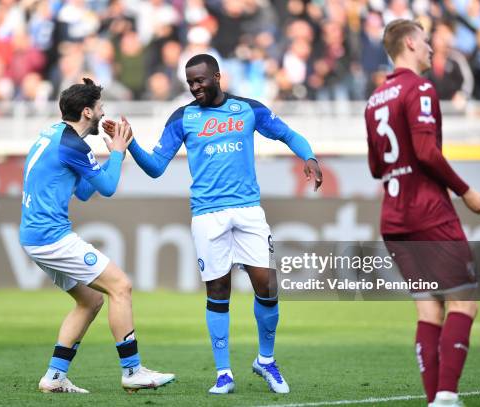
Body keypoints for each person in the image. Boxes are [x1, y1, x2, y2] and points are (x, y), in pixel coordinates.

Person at [106, 54, 322, 394]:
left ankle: (266, 360)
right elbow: (156, 167)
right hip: (207, 215)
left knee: (267, 285)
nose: (195, 87)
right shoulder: (183, 117)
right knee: (218, 292)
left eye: (200, 80)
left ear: (217, 76)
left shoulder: (248, 109)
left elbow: (287, 134)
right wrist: (130, 144)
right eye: (190, 82)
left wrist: (308, 157)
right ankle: (224, 373)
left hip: (249, 210)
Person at [364, 20, 480, 407]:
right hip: (428, 212)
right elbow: (425, 152)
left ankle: (437, 399)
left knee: (428, 310)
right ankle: (446, 395)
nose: (431, 48)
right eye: (425, 42)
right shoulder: (421, 88)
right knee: (463, 302)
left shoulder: (374, 99)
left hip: (394, 217)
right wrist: (466, 190)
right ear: (409, 43)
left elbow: (376, 167)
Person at [19, 78, 174, 394]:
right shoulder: (73, 144)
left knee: (89, 301)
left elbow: (87, 191)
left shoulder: (56, 136)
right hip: (51, 237)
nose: (104, 115)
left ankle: (54, 377)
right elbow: (108, 188)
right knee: (121, 286)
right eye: (101, 108)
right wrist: (118, 151)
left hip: (35, 236)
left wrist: (111, 156)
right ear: (87, 111)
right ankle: (132, 371)